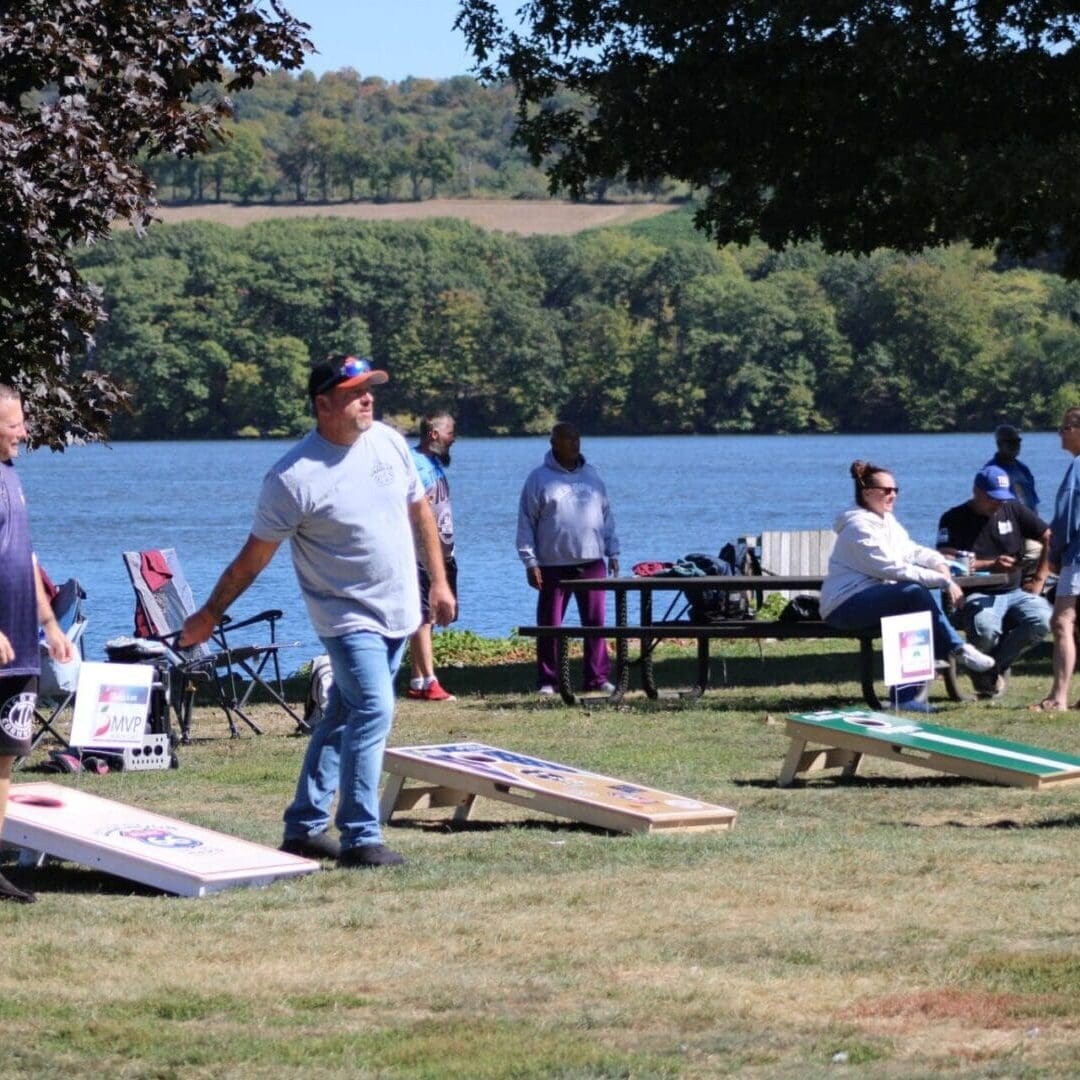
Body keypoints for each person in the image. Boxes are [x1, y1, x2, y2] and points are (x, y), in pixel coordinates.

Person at [180, 357, 454, 868]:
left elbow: (421, 511)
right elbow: (253, 558)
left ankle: (304, 827)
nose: (367, 398)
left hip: (398, 608)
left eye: (370, 389)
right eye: (354, 392)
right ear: (323, 403)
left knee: (345, 714)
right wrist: (211, 613)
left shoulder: (390, 443)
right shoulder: (292, 477)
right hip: (346, 617)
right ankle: (360, 837)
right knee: (374, 708)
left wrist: (437, 581)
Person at [820, 460, 994, 710]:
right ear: (867, 493)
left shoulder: (886, 521)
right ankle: (957, 649)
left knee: (911, 609)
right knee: (913, 593)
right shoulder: (858, 528)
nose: (892, 495)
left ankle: (906, 699)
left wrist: (939, 562)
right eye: (886, 490)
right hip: (844, 606)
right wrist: (944, 581)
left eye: (895, 490)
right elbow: (892, 568)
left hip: (876, 599)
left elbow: (911, 551)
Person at [0, 384, 73, 903]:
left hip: (19, 648)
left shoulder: (10, 478)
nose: (24, 431)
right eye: (14, 423)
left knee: (3, 760)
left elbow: (22, 556)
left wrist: (48, 623)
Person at [516, 422, 619, 695]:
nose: (574, 444)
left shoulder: (592, 476)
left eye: (577, 438)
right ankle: (549, 680)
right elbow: (526, 523)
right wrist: (530, 561)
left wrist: (613, 550)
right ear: (554, 443)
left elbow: (606, 517)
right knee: (550, 625)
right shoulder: (538, 479)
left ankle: (597, 678)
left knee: (595, 623)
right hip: (553, 565)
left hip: (592, 561)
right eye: (568, 439)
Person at [936, 464, 1052, 698]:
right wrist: (990, 565)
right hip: (977, 594)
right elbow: (944, 558)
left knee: (1044, 620)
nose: (998, 503)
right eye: (992, 498)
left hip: (1015, 591)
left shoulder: (1014, 510)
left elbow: (1050, 537)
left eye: (1002, 498)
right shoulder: (953, 518)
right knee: (985, 628)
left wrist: (1039, 579)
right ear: (976, 491)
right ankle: (987, 670)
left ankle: (989, 669)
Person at [1030, 407, 1080, 712]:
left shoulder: (1077, 468)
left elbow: (1066, 518)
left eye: (1064, 428)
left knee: (1062, 622)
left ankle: (1058, 697)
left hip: (1078, 557)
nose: (1060, 434)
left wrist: (1057, 555)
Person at [407, 411, 458, 702]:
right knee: (422, 617)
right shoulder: (416, 464)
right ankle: (430, 681)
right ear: (435, 435)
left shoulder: (434, 464)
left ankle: (417, 680)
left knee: (430, 617)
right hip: (419, 554)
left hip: (439, 553)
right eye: (451, 433)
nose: (455, 438)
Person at [987, 424, 1039, 511]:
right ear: (999, 444)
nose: (1016, 445)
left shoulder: (1024, 470)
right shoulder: (990, 472)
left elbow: (1033, 503)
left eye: (1018, 441)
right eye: (1010, 442)